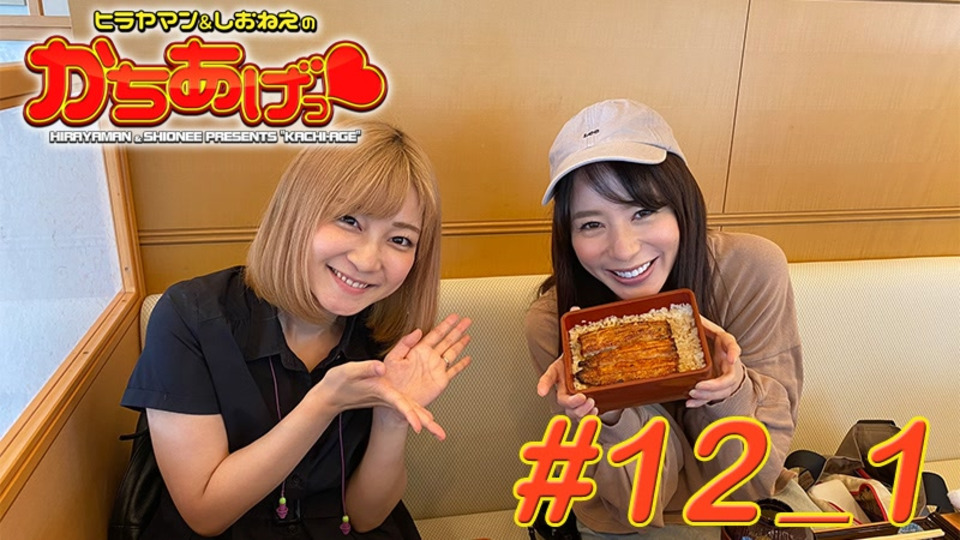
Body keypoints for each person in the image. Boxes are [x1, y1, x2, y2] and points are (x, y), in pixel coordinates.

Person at [121, 121, 472, 539]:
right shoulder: (192, 317)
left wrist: (392, 417)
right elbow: (205, 513)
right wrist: (323, 403)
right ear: (296, 212)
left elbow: (364, 518)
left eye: (399, 240)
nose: (367, 260)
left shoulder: (383, 334)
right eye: (349, 220)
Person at [525, 99, 803, 538]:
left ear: (681, 206)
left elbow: (751, 483)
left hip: (740, 516)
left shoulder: (750, 270)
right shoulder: (554, 323)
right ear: (568, 235)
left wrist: (729, 390)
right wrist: (606, 407)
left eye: (643, 211)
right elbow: (637, 504)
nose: (624, 249)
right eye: (591, 224)